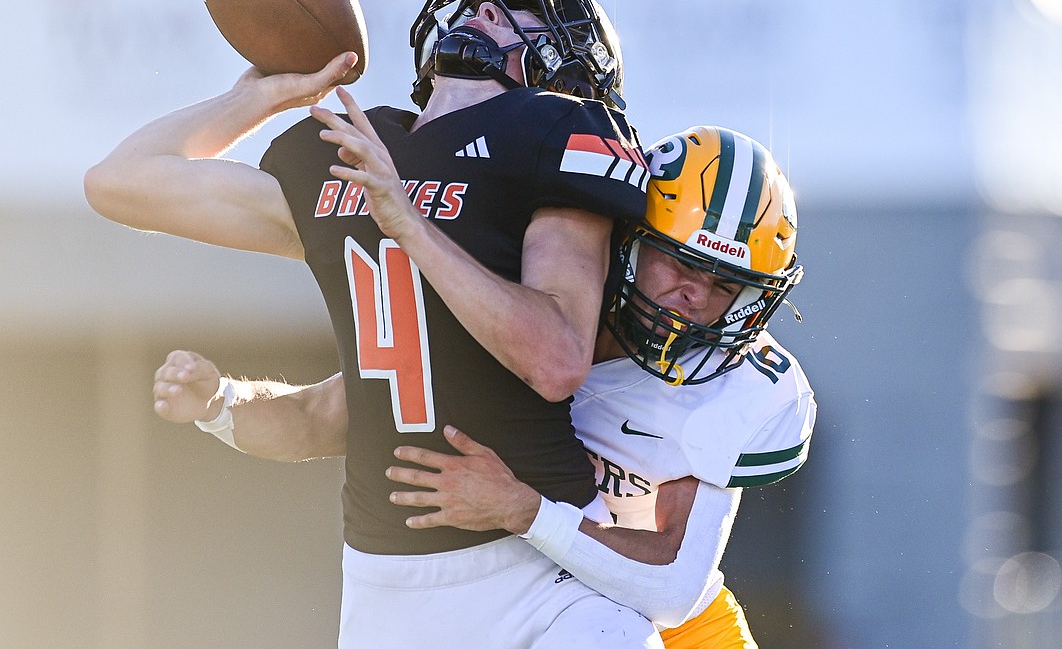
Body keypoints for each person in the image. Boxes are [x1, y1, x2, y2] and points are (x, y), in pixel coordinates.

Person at [86, 0, 659, 648]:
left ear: (559, 73)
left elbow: (556, 357)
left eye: (521, 11)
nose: (484, 9)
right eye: (483, 0)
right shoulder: (352, 151)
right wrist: (264, 97)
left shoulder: (549, 137)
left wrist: (407, 222)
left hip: (540, 576)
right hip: (384, 583)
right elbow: (120, 181)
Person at [155, 126, 817, 648]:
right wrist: (222, 402)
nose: (693, 297)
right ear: (628, 238)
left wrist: (523, 507)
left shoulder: (740, 387)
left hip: (672, 629)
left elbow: (672, 586)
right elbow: (331, 411)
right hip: (519, 602)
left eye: (724, 286)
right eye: (678, 261)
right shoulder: (523, 313)